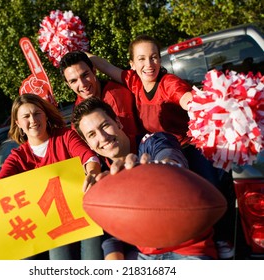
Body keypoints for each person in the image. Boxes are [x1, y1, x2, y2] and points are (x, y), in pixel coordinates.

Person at [86, 35, 235, 259]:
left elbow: (183, 96)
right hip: (153, 148)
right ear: (132, 64)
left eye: (154, 57)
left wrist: (194, 103)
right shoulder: (133, 81)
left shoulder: (167, 82)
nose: (149, 64)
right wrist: (80, 54)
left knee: (210, 186)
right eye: (142, 59)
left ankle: (222, 237)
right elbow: (106, 66)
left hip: (187, 147)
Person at [0, 93, 103, 260]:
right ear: (18, 123)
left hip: (84, 215)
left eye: (37, 113)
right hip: (48, 229)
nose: (33, 119)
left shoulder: (65, 136)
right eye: (26, 116)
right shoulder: (17, 157)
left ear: (45, 115)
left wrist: (92, 172)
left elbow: (89, 158)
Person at [72, 96, 218, 260]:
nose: (103, 137)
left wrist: (150, 171)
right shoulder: (102, 174)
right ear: (89, 144)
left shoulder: (154, 141)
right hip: (142, 255)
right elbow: (111, 235)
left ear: (118, 123)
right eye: (92, 134)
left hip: (188, 249)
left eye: (105, 125)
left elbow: (171, 159)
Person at [59, 50, 145, 153]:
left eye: (85, 75)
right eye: (73, 81)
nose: (82, 84)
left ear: (94, 71)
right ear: (68, 85)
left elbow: (127, 146)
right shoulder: (76, 112)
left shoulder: (117, 96)